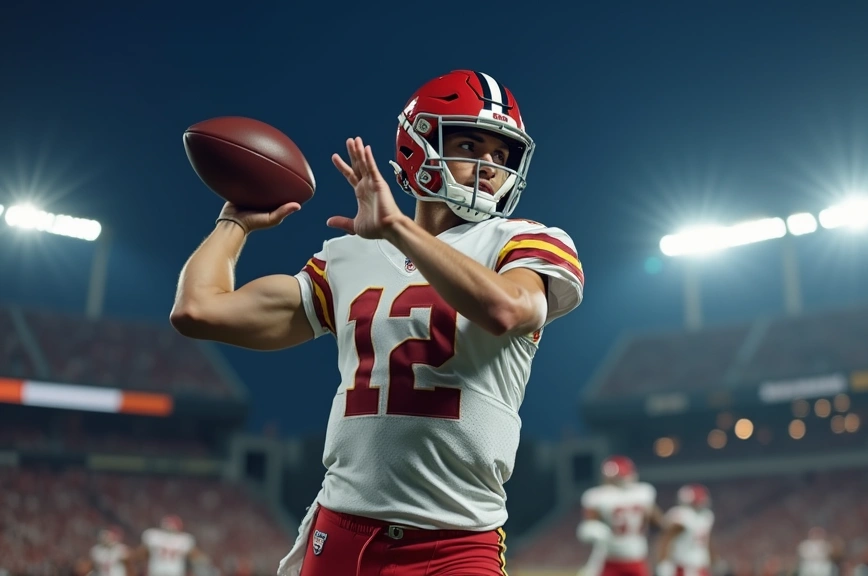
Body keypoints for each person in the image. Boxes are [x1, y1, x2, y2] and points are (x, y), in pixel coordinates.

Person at [170, 69, 585, 576]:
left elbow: (509, 310)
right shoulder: (347, 257)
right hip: (342, 530)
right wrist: (234, 221)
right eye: (470, 146)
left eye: (502, 155)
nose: (491, 167)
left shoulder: (525, 240)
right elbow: (198, 311)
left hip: (458, 542)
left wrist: (397, 228)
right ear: (417, 148)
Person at [577, 456, 661, 576]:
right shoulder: (644, 492)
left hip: (612, 556)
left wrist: (591, 531)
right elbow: (657, 522)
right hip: (635, 555)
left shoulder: (597, 496)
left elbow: (588, 527)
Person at [655, 484, 714, 576]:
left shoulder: (706, 516)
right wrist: (664, 562)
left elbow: (707, 543)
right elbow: (666, 539)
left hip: (700, 566)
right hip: (685, 567)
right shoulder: (682, 515)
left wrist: (715, 561)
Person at [136, 516, 202, 576]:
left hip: (157, 571)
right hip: (174, 572)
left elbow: (141, 553)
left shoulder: (153, 535)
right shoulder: (184, 539)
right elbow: (197, 556)